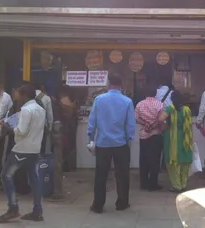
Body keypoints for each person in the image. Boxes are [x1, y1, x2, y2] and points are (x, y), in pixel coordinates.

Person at [0, 83, 46, 223]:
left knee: (6, 175)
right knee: (34, 179)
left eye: (18, 94)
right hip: (35, 149)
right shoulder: (41, 109)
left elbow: (21, 131)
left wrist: (8, 126)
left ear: (24, 95)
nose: (16, 97)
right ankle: (37, 211)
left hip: (22, 149)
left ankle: (13, 208)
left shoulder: (26, 110)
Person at [88, 73, 136, 214]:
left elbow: (92, 122)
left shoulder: (99, 99)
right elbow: (130, 126)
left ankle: (98, 205)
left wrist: (91, 139)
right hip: (121, 144)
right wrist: (128, 139)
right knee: (122, 175)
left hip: (103, 144)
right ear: (121, 85)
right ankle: (122, 203)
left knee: (101, 176)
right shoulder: (127, 101)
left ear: (109, 83)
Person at [159, 90, 193, 193]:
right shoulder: (187, 109)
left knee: (173, 163)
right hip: (185, 137)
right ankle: (183, 184)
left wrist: (165, 126)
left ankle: (176, 186)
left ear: (172, 99)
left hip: (172, 137)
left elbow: (161, 119)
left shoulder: (170, 109)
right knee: (184, 162)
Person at [135, 82, 164, 191]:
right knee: (155, 160)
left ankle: (144, 183)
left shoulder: (139, 104)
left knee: (144, 160)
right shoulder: (160, 104)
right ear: (155, 93)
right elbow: (161, 119)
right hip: (156, 134)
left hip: (144, 135)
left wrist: (145, 124)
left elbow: (136, 118)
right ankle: (153, 184)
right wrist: (153, 125)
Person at [55, 85, 78, 171]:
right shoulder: (71, 101)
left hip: (65, 128)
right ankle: (69, 166)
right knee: (69, 147)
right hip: (70, 127)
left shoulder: (62, 102)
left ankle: (66, 167)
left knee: (64, 148)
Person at [35, 82, 53, 154]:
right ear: (42, 88)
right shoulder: (46, 98)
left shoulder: (28, 96)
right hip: (42, 125)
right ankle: (40, 162)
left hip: (29, 125)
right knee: (41, 145)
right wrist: (50, 127)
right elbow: (49, 114)